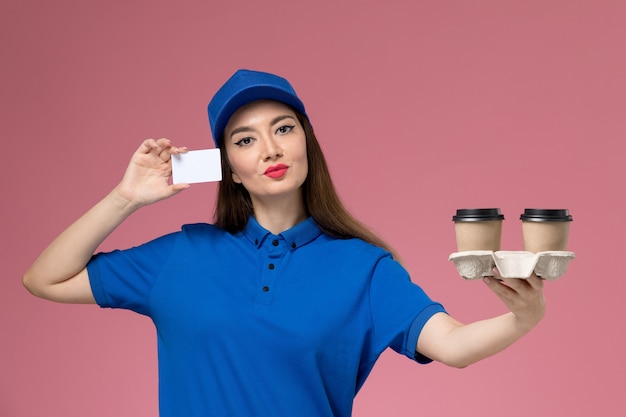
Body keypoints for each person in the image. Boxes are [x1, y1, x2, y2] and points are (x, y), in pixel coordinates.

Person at [23, 69, 546, 416]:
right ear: (229, 165)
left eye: (284, 128)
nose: (270, 148)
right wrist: (125, 197)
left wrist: (523, 318)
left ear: (306, 142)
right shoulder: (181, 255)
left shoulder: (363, 268)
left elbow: (453, 346)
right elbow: (44, 278)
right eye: (245, 139)